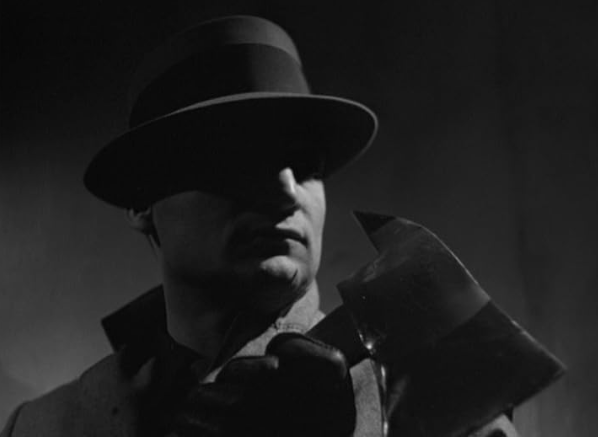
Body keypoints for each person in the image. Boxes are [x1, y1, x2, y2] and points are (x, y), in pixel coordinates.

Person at [1, 15, 519, 437]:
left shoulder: (437, 402)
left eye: (307, 164)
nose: (286, 190)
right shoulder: (44, 427)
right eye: (236, 156)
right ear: (142, 203)